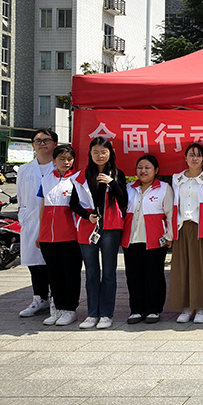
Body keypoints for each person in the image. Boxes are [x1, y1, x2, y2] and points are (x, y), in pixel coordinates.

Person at [70, 137, 127, 329]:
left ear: (110, 153)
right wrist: (87, 216)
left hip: (111, 228)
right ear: (90, 154)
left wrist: (113, 183)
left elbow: (124, 201)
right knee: (91, 272)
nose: (100, 155)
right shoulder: (82, 176)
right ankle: (92, 313)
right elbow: (73, 203)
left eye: (104, 152)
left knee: (109, 273)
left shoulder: (117, 174)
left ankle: (106, 314)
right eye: (95, 152)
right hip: (88, 228)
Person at [169, 143, 203, 324]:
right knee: (183, 268)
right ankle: (187, 306)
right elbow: (173, 205)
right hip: (182, 227)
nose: (194, 158)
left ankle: (202, 307)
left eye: (198, 155)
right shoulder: (177, 179)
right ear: (185, 158)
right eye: (191, 155)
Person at [121, 155, 174, 324]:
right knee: (133, 275)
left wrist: (169, 236)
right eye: (140, 167)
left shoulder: (164, 188)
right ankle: (136, 310)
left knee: (154, 275)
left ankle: (153, 309)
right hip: (131, 239)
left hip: (155, 240)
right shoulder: (128, 188)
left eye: (147, 167)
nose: (143, 171)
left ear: (156, 170)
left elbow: (170, 214)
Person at [36, 145, 81, 327]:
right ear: (54, 160)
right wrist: (40, 233)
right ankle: (58, 309)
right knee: (53, 274)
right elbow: (42, 207)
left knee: (70, 273)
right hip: (48, 236)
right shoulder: (46, 179)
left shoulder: (77, 179)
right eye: (62, 158)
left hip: (70, 235)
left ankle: (70, 309)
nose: (66, 162)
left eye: (69, 158)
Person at [16, 129, 57, 318]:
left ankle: (56, 298)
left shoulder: (60, 167)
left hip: (54, 221)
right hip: (31, 220)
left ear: (55, 144)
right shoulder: (24, 170)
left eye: (46, 140)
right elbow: (21, 197)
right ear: (33, 145)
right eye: (38, 140)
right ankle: (39, 298)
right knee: (34, 261)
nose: (42, 143)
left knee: (53, 262)